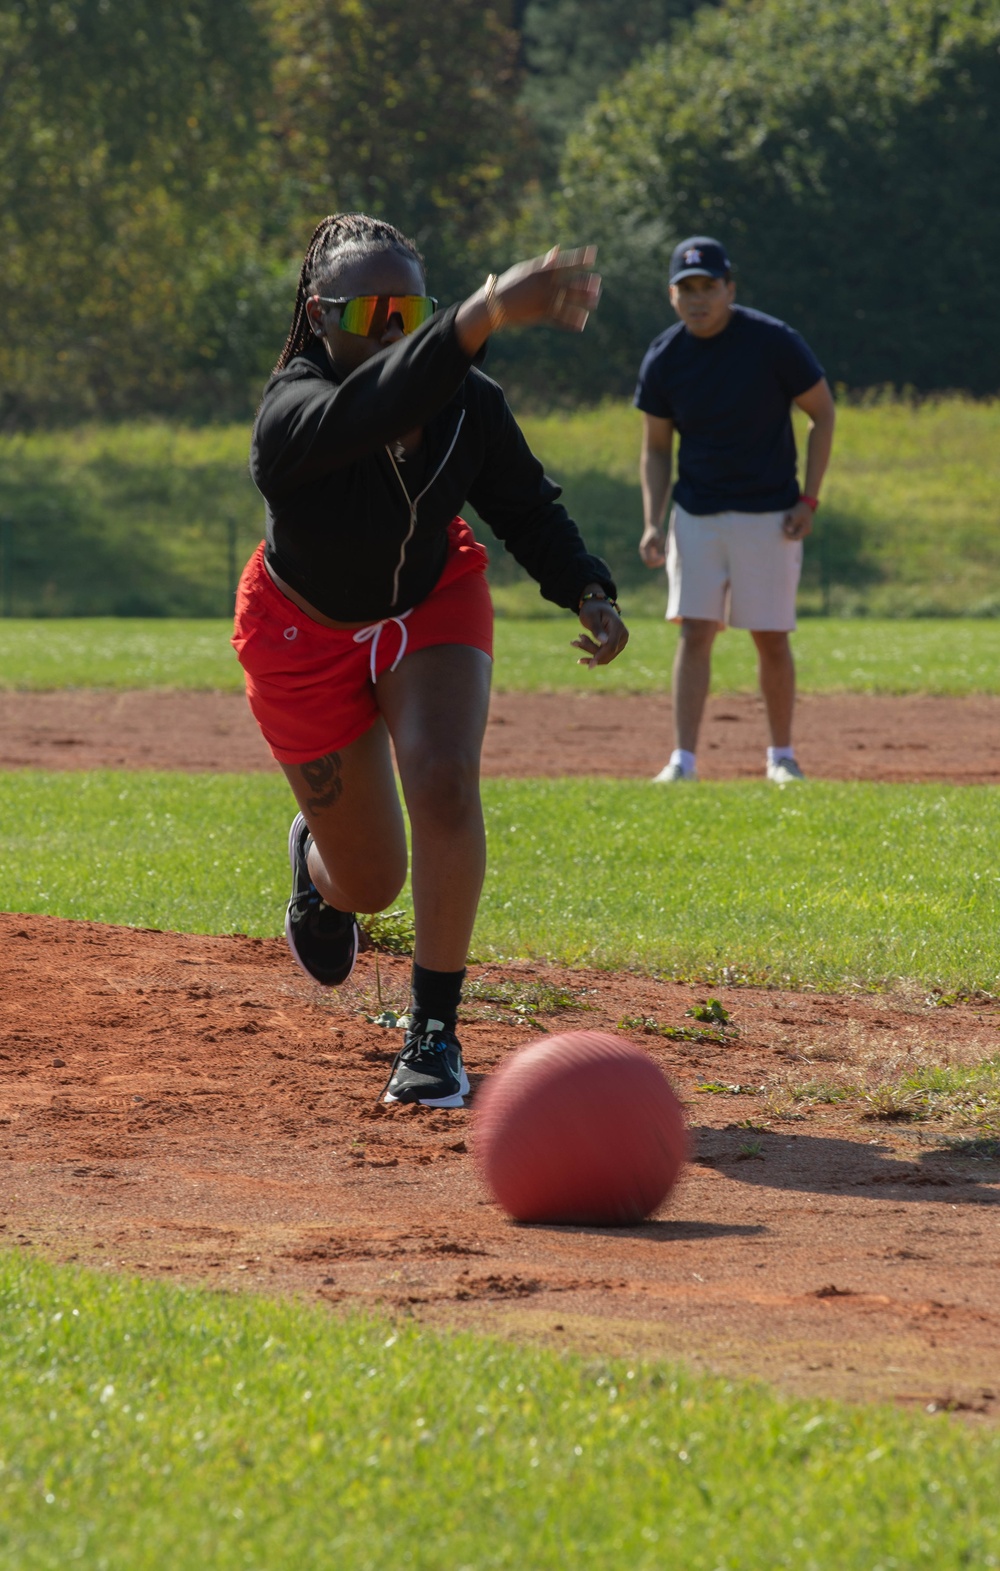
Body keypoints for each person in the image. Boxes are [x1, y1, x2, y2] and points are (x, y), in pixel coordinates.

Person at [233, 213, 628, 1109]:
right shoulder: (293, 415)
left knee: (446, 781)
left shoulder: (467, 403)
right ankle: (320, 872)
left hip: (429, 598)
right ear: (320, 314)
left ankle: (434, 1031)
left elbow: (525, 505)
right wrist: (482, 313)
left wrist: (586, 588)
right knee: (373, 882)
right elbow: (373, 407)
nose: (392, 329)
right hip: (303, 631)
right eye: (370, 311)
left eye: (409, 309)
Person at [635, 235, 835, 783]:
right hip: (697, 513)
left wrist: (808, 499)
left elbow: (823, 413)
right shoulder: (665, 357)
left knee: (770, 636)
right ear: (672, 296)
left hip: (770, 514)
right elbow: (655, 448)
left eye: (708, 286)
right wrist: (653, 521)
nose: (698, 298)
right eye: (686, 289)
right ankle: (683, 761)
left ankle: (782, 757)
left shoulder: (773, 343)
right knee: (695, 631)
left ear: (729, 289)